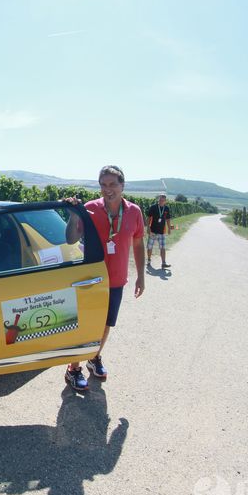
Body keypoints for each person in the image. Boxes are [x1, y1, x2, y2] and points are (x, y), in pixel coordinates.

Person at [66, 165, 146, 391]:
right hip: (90, 280)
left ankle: (94, 357)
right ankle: (73, 368)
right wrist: (73, 215)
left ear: (123, 185)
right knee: (85, 324)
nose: (107, 189)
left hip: (116, 280)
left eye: (112, 184)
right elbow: (71, 239)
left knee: (106, 324)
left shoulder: (134, 212)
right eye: (103, 184)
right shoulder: (90, 209)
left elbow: (138, 243)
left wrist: (141, 276)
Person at [146, 194, 172, 268]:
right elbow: (148, 218)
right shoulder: (153, 207)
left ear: (165, 201)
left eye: (163, 200)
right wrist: (148, 228)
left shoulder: (166, 208)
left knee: (163, 247)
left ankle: (163, 263)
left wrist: (169, 228)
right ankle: (149, 260)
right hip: (153, 231)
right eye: (160, 200)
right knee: (150, 247)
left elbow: (168, 219)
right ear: (158, 199)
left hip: (162, 232)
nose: (161, 201)